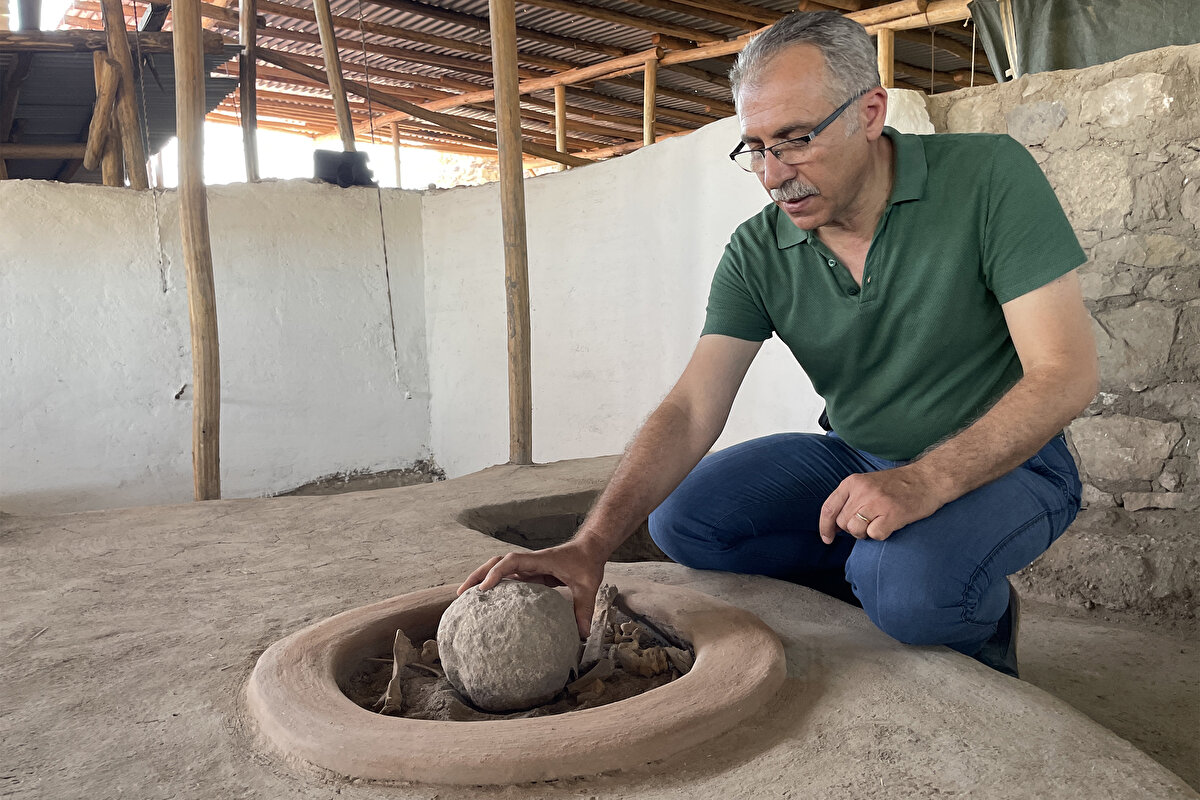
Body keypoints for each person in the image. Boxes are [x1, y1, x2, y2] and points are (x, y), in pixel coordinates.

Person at [459, 11, 1098, 677]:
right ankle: (879, 567)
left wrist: (924, 482)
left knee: (910, 594)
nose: (772, 174)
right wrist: (590, 544)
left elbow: (1066, 373)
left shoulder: (989, 178)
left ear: (871, 112)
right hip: (857, 453)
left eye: (795, 140)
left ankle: (972, 612)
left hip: (1015, 466)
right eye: (756, 147)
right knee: (685, 523)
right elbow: (691, 407)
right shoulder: (758, 251)